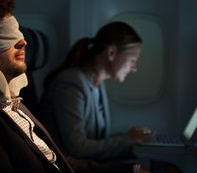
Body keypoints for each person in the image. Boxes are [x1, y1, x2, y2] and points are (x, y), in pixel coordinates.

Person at [0, 0, 147, 172]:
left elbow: (58, 160)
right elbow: (76, 149)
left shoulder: (14, 102)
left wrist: (132, 171)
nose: (23, 42)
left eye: (17, 31)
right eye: (2, 34)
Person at [40, 21, 154, 161]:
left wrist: (131, 138)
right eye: (132, 60)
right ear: (111, 53)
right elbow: (78, 148)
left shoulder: (97, 83)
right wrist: (127, 140)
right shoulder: (70, 82)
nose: (134, 68)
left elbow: (96, 139)